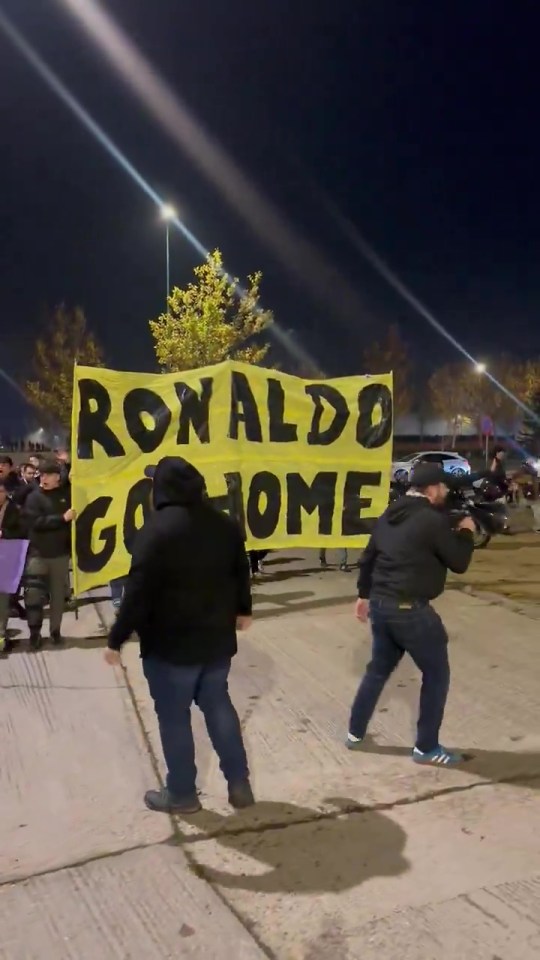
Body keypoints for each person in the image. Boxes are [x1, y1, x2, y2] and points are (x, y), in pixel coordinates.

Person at [104, 456, 254, 815]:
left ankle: (182, 794)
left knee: (174, 719)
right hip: (216, 641)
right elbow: (241, 569)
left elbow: (137, 591)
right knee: (218, 706)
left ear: (163, 488)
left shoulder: (155, 531)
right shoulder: (224, 525)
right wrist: (244, 609)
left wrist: (116, 637)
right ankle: (240, 783)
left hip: (170, 647)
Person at [347, 462, 476, 766]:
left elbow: (368, 559)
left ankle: (354, 733)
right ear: (432, 489)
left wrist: (363, 595)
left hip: (380, 605)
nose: (444, 493)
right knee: (437, 674)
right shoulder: (432, 520)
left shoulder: (389, 514)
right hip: (410, 610)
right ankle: (426, 747)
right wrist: (467, 533)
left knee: (377, 671)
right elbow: (458, 562)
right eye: (443, 488)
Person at [23, 461, 76, 650]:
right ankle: (34, 634)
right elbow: (35, 522)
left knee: (58, 597)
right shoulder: (34, 498)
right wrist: (61, 518)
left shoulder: (65, 496)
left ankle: (55, 631)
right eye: (41, 475)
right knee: (33, 596)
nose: (43, 478)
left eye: (47, 475)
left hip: (60, 555)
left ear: (57, 477)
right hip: (38, 554)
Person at [0, 480, 25, 655]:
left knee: (2, 600)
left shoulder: (15, 509)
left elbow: (22, 531)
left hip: (7, 558)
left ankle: (1, 634)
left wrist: (4, 533)